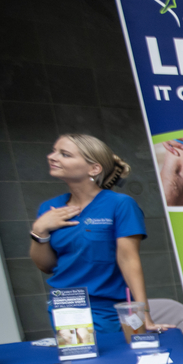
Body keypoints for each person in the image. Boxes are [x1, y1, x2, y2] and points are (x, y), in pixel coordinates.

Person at [30, 134, 158, 333]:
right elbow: (46, 266)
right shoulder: (49, 208)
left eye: (64, 154)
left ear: (94, 169)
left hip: (108, 309)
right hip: (65, 308)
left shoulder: (120, 204)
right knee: (81, 354)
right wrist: (39, 229)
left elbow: (128, 260)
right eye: (54, 151)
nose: (52, 157)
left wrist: (145, 315)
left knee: (113, 353)